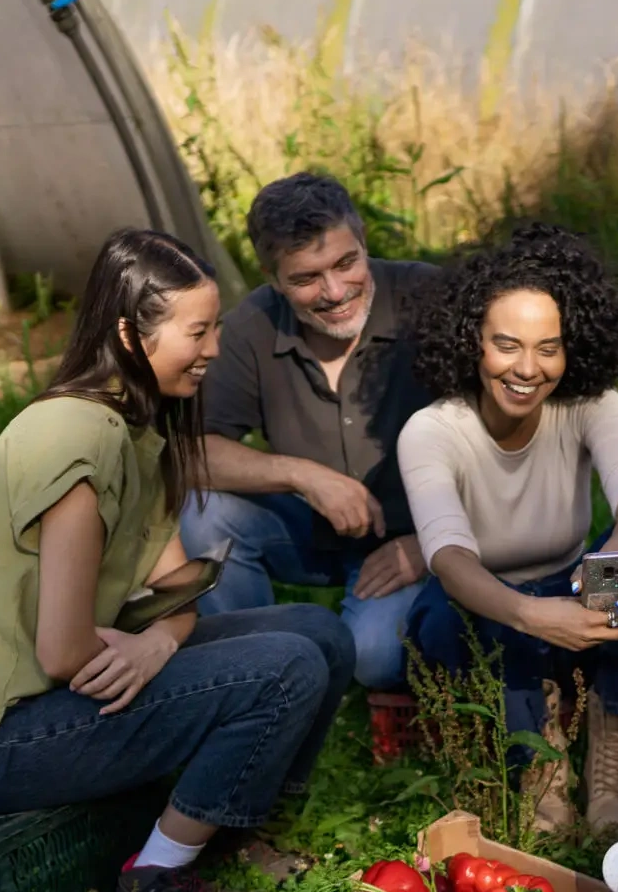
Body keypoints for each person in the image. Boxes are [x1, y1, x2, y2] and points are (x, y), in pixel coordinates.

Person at [0, 229, 355, 892]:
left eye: (216, 327)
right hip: (2, 739)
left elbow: (180, 583)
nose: (215, 347)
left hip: (66, 688)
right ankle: (154, 885)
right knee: (285, 667)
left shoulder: (139, 433)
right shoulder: (77, 438)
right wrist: (151, 643)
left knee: (320, 632)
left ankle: (229, 836)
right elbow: (63, 651)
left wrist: (157, 643)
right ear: (130, 335)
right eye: (198, 331)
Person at [398, 222, 618, 834]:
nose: (527, 369)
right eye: (506, 345)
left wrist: (615, 568)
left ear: (573, 347)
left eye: (548, 348)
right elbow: (449, 558)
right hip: (494, 608)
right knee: (440, 614)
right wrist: (531, 616)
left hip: (575, 590)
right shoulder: (431, 431)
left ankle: (611, 746)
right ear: (473, 340)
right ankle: (541, 765)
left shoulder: (589, 402)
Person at [180, 172, 436, 691]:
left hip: (426, 535)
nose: (335, 292)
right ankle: (259, 678)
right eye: (306, 279)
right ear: (272, 279)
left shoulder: (430, 298)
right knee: (202, 511)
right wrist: (302, 475)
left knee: (372, 658)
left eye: (346, 263)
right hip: (313, 531)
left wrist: (434, 545)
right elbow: (188, 452)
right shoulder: (251, 325)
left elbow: (515, 432)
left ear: (363, 240)